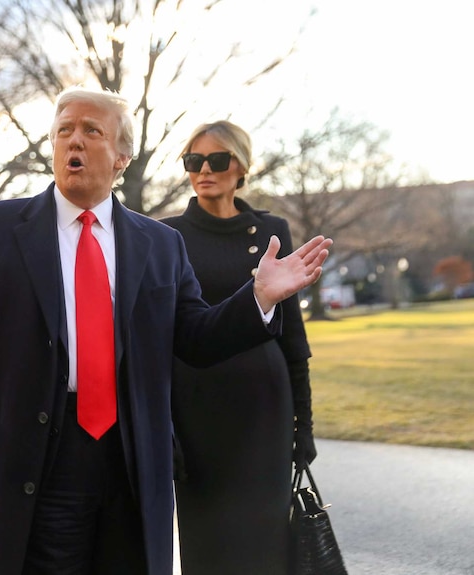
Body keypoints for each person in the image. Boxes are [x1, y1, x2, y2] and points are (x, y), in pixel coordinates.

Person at [0, 86, 331, 575]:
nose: (74, 140)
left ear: (121, 157)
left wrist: (257, 298)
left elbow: (195, 337)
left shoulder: (159, 245)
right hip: (29, 454)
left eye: (91, 131)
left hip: (128, 459)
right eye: (63, 130)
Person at [161, 120, 318, 574]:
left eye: (217, 159)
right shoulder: (166, 236)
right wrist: (164, 426)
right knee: (207, 543)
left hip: (265, 409)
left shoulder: (271, 231)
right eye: (194, 161)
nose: (204, 169)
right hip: (197, 411)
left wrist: (302, 422)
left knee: (266, 540)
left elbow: (292, 333)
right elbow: (161, 336)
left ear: (242, 166)